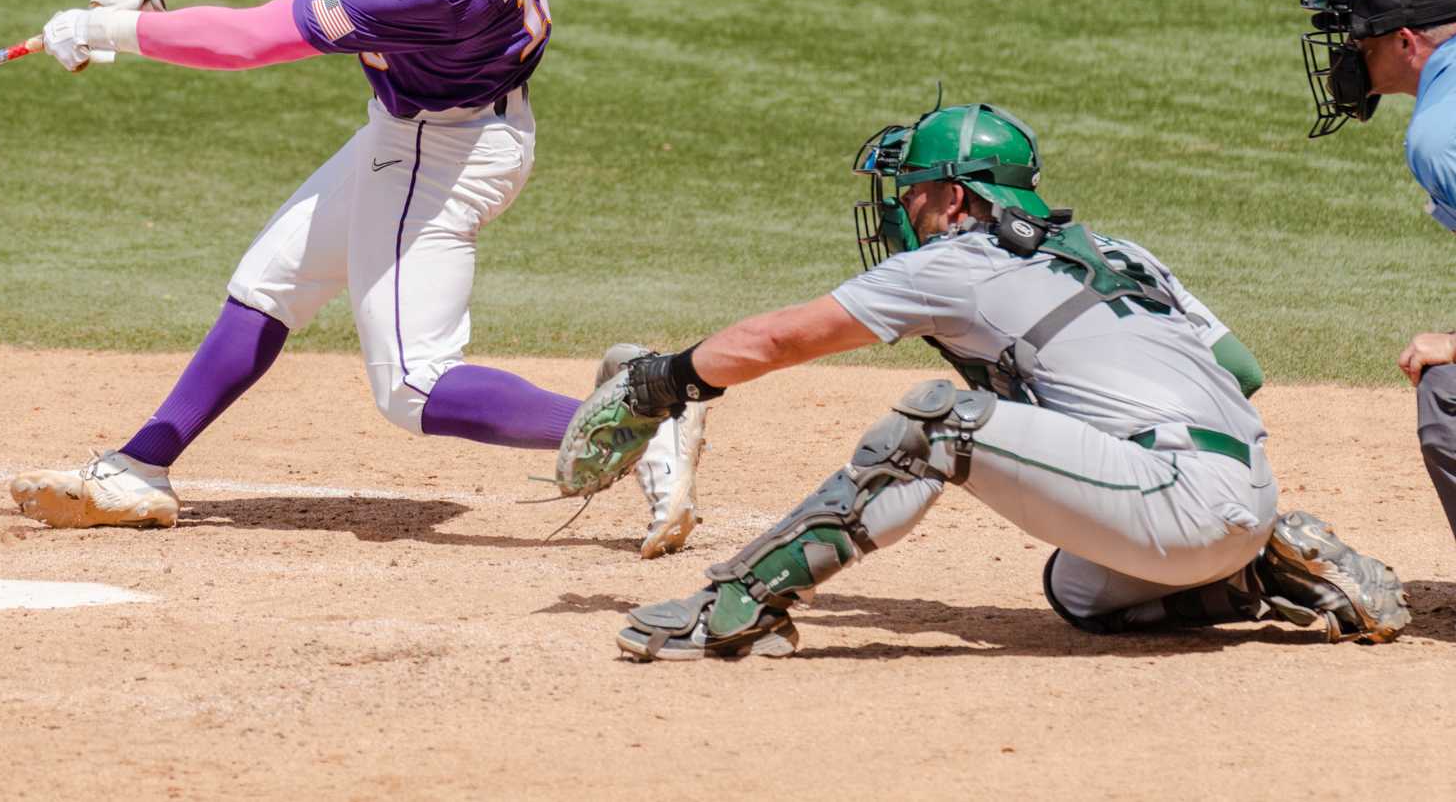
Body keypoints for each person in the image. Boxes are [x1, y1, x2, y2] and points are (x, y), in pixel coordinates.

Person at [8, 0, 706, 559]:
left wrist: (110, 29)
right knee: (271, 281)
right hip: (438, 129)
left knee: (413, 385)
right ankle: (139, 467)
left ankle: (645, 410)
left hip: (438, 155)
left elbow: (249, 40)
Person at [557, 102, 1410, 659]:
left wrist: (661, 381)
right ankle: (1271, 570)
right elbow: (1242, 371)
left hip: (1175, 495)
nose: (903, 208)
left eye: (917, 191)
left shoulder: (958, 261)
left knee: (941, 426)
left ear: (959, 199)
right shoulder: (1120, 249)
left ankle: (736, 606)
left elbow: (780, 337)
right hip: (1239, 490)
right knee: (1078, 589)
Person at [1297, 0, 1456, 544]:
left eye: (1357, 40)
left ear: (1406, 42)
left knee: (1448, 396)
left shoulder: (1440, 134)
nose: (1346, 56)